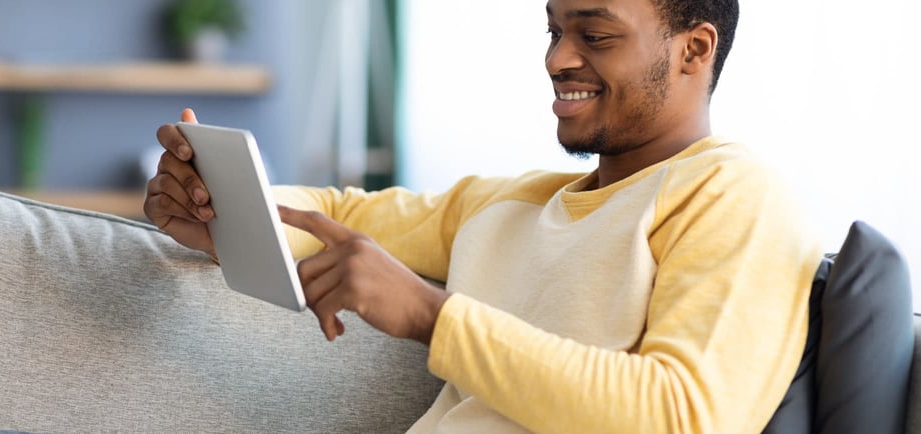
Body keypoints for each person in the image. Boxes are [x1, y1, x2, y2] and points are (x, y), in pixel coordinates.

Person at [144, 0, 823, 432]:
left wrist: (429, 314)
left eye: (594, 33)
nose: (557, 59)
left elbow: (684, 416)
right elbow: (337, 213)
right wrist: (222, 210)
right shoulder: (514, 204)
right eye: (554, 29)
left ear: (693, 50)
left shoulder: (734, 194)